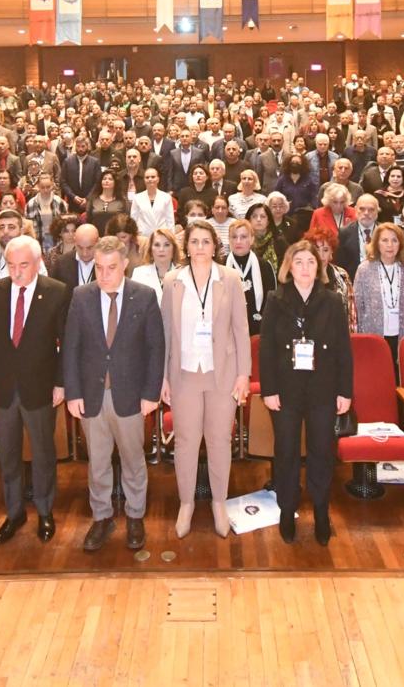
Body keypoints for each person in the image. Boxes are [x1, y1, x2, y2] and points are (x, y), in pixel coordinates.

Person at [61, 235, 165, 553]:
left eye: (111, 268)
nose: (104, 275)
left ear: (124, 266)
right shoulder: (81, 296)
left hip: (131, 396)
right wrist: (73, 392)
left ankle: (135, 516)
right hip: (91, 396)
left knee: (134, 460)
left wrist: (150, 393)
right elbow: (71, 348)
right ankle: (102, 516)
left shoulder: (144, 297)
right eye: (99, 268)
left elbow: (155, 348)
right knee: (98, 462)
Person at [160, 219, 250, 539]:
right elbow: (165, 335)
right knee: (185, 441)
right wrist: (162, 378)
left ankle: (219, 503)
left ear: (215, 246)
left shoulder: (230, 278)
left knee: (219, 440)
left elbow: (241, 330)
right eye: (194, 242)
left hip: (221, 373)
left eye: (205, 242)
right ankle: (186, 503)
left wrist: (243, 374)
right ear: (187, 247)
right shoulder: (172, 281)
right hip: (183, 373)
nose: (200, 248)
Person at [259, 239, 352, 546]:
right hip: (285, 391)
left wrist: (345, 391)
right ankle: (287, 511)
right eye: (298, 262)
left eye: (311, 262)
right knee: (286, 453)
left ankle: (322, 512)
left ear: (319, 267)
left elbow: (343, 351)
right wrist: (268, 389)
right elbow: (267, 351)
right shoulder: (275, 299)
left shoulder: (332, 301)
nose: (305, 268)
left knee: (321, 454)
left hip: (322, 389)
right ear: (289, 266)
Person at [0, 235, 69, 545]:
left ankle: (44, 510)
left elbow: (65, 344)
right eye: (11, 265)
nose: (16, 272)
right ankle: (14, 512)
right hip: (2, 388)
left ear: (38, 263)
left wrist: (60, 382)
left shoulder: (55, 292)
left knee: (43, 453)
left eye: (23, 265)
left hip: (40, 387)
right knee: (9, 456)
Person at [353, 222, 404, 370]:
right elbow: (358, 305)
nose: (390, 245)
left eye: (395, 240)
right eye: (385, 240)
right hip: (374, 334)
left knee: (400, 375)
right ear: (377, 243)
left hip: (403, 333)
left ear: (401, 244)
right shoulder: (365, 269)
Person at [134, 226, 183, 306]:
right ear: (150, 249)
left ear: (174, 249)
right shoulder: (139, 274)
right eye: (157, 245)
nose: (161, 249)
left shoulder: (184, 274)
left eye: (166, 245)